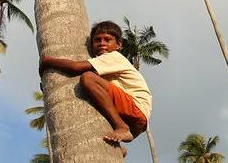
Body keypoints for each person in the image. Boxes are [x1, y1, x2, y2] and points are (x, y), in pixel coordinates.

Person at [39, 21, 152, 154]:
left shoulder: (113, 57)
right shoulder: (104, 65)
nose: (102, 43)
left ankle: (121, 126)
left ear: (119, 44)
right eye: (97, 40)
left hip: (135, 107)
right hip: (136, 122)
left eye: (107, 40)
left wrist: (47, 61)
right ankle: (119, 150)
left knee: (88, 78)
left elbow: (76, 67)